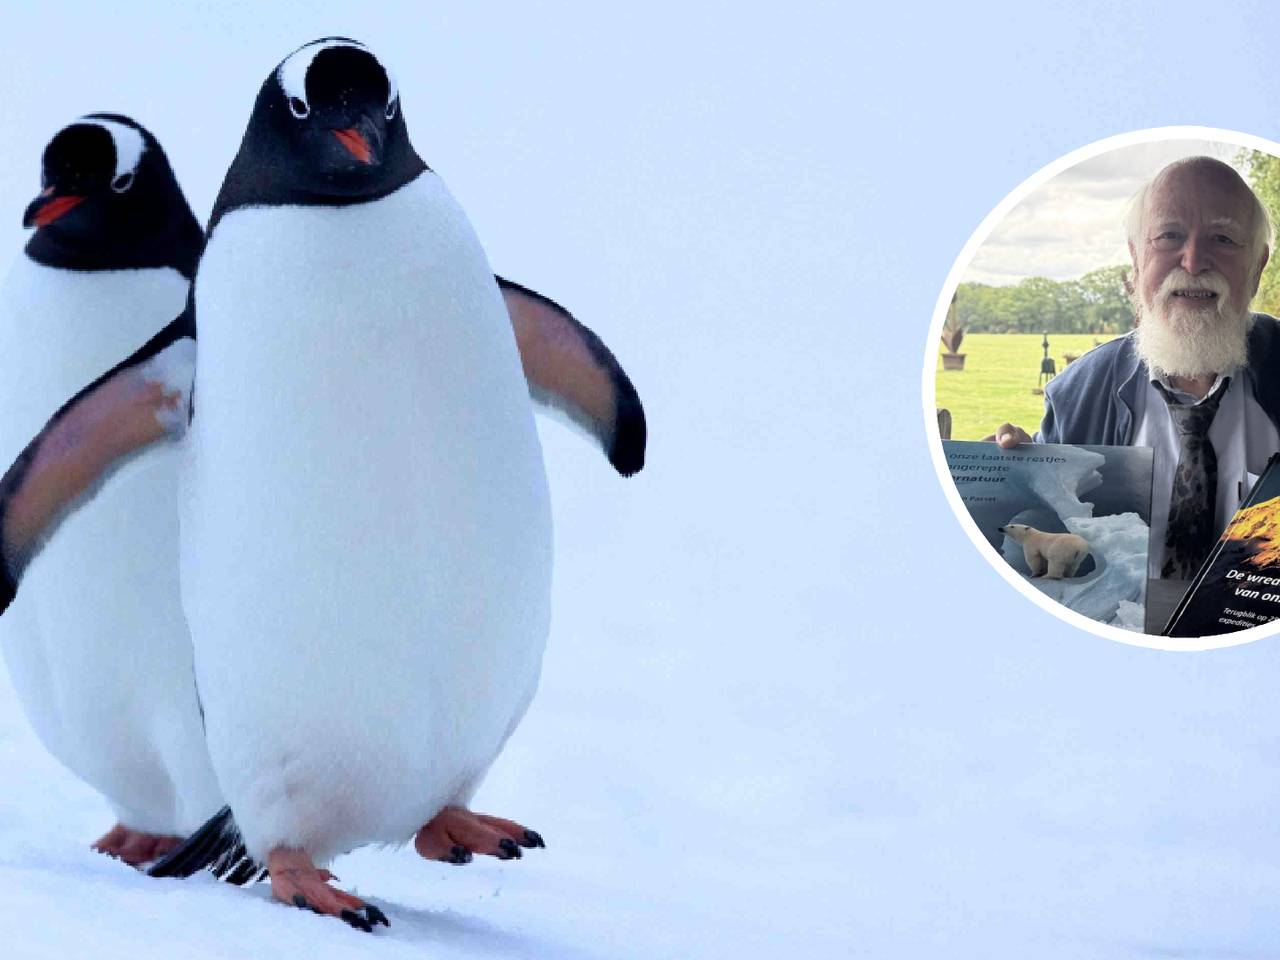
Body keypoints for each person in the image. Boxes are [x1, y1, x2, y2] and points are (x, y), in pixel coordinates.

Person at [988, 156, 1280, 580]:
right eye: (1168, 236)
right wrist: (1003, 471)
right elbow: (1047, 520)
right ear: (1136, 258)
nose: (1194, 260)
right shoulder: (1077, 393)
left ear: (1257, 267)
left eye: (1222, 238)